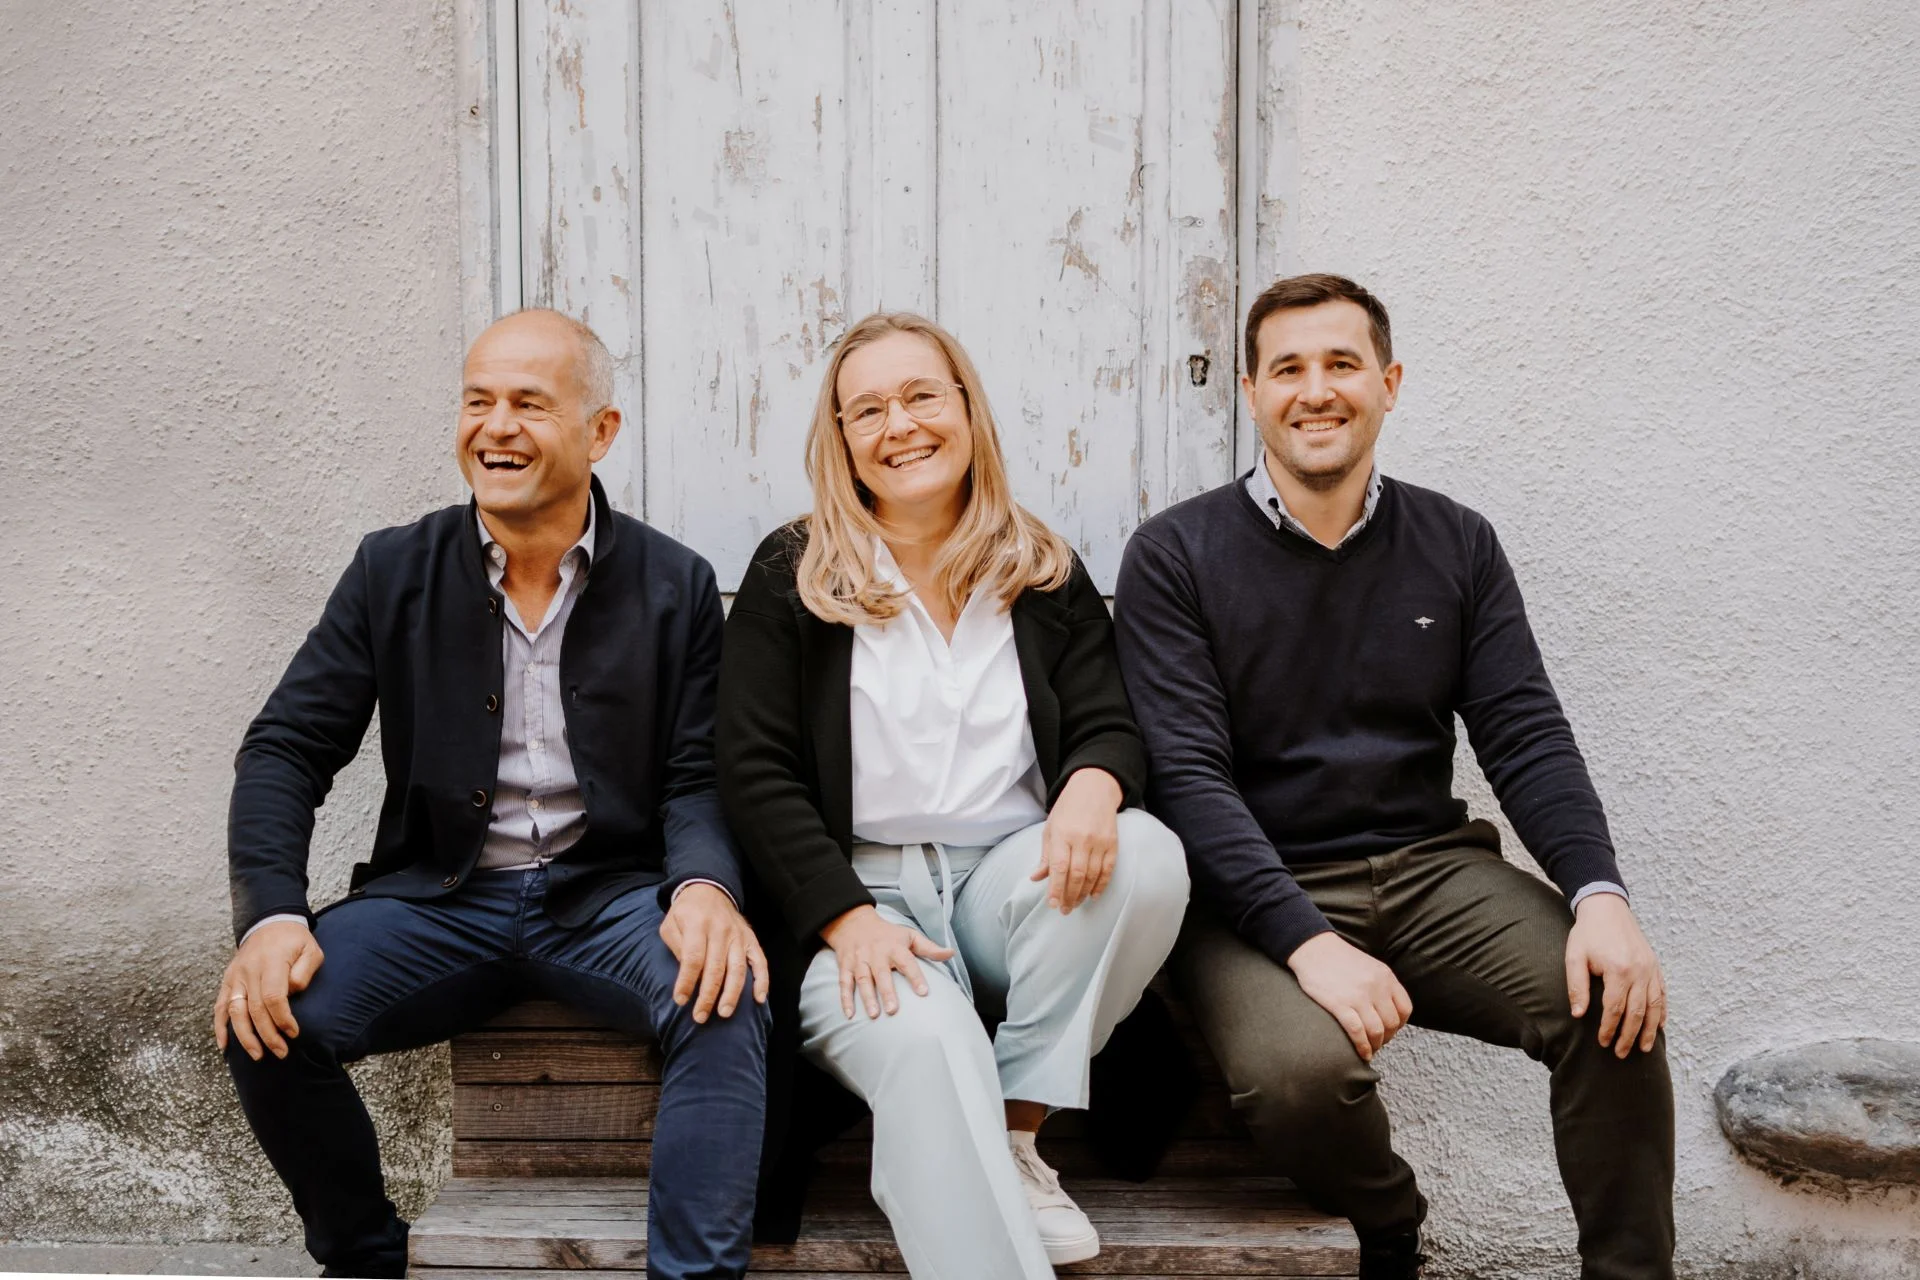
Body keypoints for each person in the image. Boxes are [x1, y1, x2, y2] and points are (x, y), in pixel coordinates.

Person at [1113, 274, 1675, 1280]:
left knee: (1614, 1004)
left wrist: (1599, 894)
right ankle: (1390, 1223)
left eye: (1341, 364)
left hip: (1428, 869)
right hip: (1251, 895)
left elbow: (1525, 731)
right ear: (1250, 391)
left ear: (1389, 381)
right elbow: (1188, 777)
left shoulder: (1455, 541)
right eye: (1288, 367)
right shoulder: (1176, 555)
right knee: (1299, 1079)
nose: (1315, 389)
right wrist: (1307, 940)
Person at [215, 309, 770, 1280]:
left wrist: (707, 892)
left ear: (601, 432)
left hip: (607, 897)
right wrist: (271, 914)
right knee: (266, 1017)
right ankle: (366, 1259)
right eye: (479, 401)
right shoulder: (392, 568)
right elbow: (284, 747)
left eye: (528, 402)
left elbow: (696, 777)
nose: (497, 424)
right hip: (441, 898)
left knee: (724, 993)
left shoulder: (676, 584)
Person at [717, 312, 1190, 1278]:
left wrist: (1095, 789)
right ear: (839, 440)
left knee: (1146, 852)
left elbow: (1107, 720)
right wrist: (846, 921)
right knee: (928, 1042)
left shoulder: (1042, 569)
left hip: (1004, 891)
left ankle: (1019, 1139)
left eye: (922, 396)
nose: (900, 425)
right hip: (854, 899)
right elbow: (754, 772)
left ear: (967, 410)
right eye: (868, 410)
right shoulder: (793, 572)